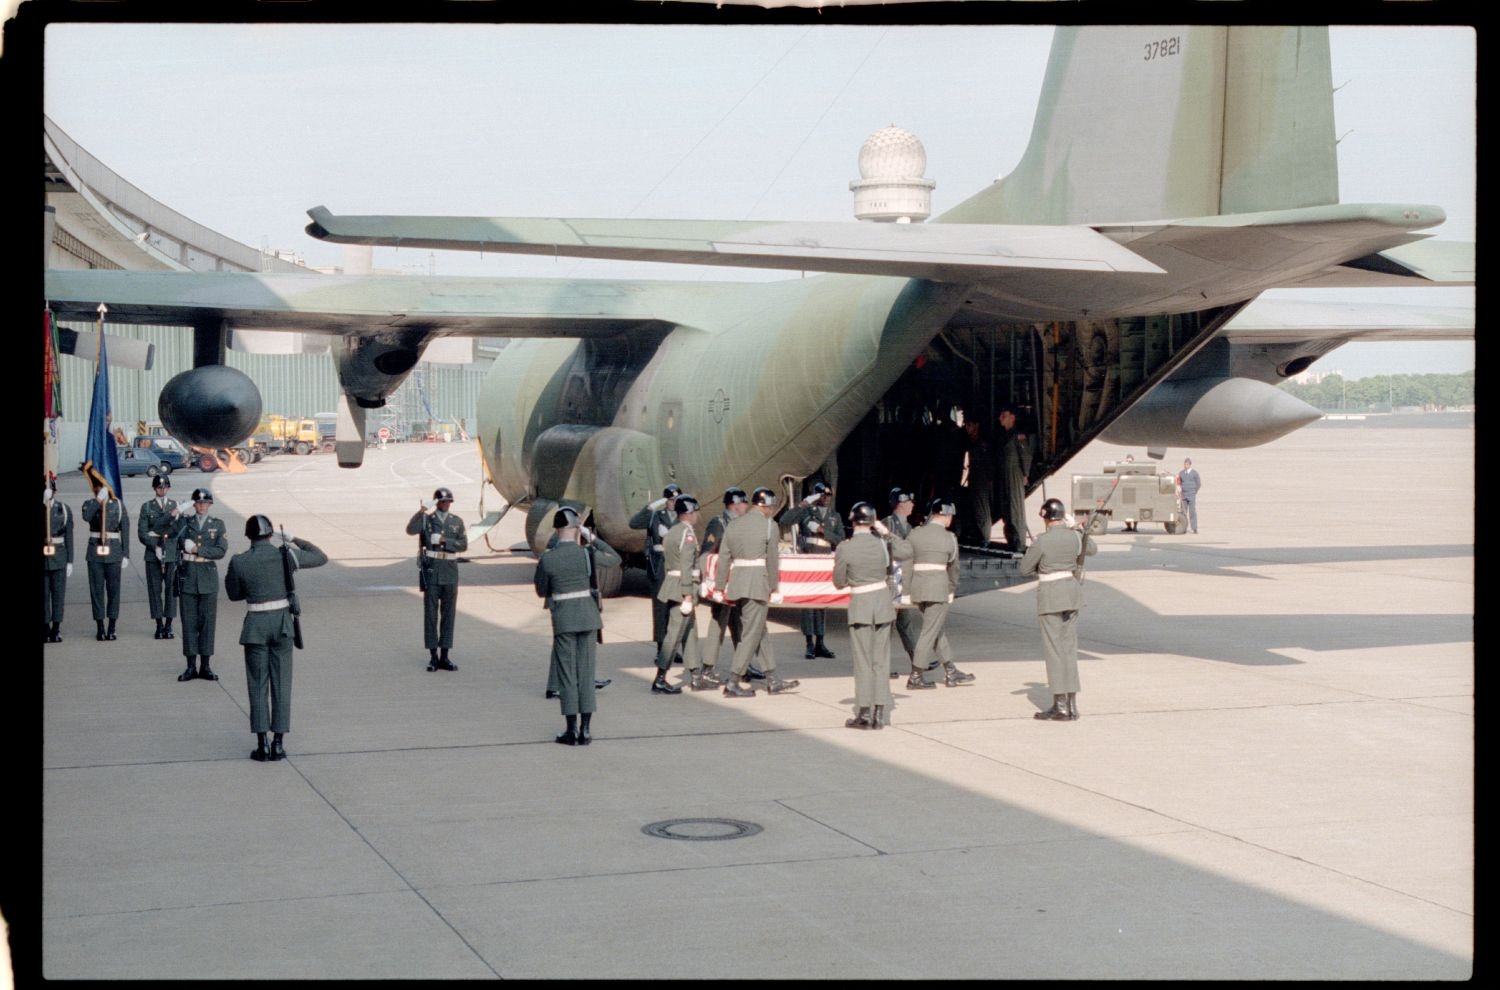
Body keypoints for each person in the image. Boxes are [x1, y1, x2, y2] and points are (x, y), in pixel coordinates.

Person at [224, 515, 328, 760]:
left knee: (257, 685)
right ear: (271, 534)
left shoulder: (239, 561)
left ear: (249, 536)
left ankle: (262, 744)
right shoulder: (286, 555)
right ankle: (279, 743)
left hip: (256, 626)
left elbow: (234, 594)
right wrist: (293, 538)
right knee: (281, 684)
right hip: (282, 625)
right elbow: (320, 556)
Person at [534, 507, 621, 745]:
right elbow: (615, 559)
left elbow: (542, 589)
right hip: (589, 617)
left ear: (556, 529)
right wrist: (592, 538)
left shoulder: (549, 558)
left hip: (564, 618)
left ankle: (571, 730)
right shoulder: (586, 554)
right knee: (585, 672)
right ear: (575, 530)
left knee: (567, 675)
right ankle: (585, 730)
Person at [832, 502, 911, 729]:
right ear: (872, 522)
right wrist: (885, 532)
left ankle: (864, 712)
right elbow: (905, 552)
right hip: (882, 605)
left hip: (861, 607)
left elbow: (838, 582)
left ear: (853, 521)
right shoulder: (882, 544)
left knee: (863, 662)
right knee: (880, 661)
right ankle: (879, 712)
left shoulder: (845, 548)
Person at [715, 486, 798, 698]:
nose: (771, 510)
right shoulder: (770, 526)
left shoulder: (734, 524)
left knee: (760, 630)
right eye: (770, 507)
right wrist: (774, 587)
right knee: (751, 634)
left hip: (738, 583)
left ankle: (772, 679)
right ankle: (733, 681)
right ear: (764, 507)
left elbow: (724, 556)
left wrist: (719, 586)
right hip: (757, 584)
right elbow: (772, 559)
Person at [1018, 497, 1097, 721]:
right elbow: (1091, 549)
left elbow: (1025, 569)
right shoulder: (1074, 536)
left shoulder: (1042, 541)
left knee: (1054, 651)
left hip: (1051, 597)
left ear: (1045, 518)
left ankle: (1060, 706)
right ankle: (1072, 705)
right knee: (1069, 650)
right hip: (1071, 595)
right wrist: (1078, 530)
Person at [906, 497, 975, 688]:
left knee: (936, 630)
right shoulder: (948, 538)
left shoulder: (915, 534)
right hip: (938, 589)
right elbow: (954, 569)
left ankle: (951, 671)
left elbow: (905, 560)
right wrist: (951, 590)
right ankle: (916, 675)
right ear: (945, 516)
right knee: (929, 632)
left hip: (918, 588)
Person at [653, 494, 715, 693]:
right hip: (683, 589)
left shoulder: (673, 531)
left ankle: (695, 676)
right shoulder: (687, 535)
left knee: (690, 633)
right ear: (688, 513)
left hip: (675, 584)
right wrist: (688, 594)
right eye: (695, 511)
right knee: (675, 634)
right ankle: (660, 678)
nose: (697, 515)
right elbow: (687, 566)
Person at [406, 486, 468, 672]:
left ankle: (445, 656)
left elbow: (463, 544)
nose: (446, 504)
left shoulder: (456, 521)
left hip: (449, 572)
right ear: (437, 503)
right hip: (432, 572)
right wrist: (422, 511)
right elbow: (410, 529)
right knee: (431, 615)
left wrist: (444, 542)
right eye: (442, 502)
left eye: (448, 501)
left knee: (448, 615)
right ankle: (433, 656)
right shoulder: (427, 520)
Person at [172, 489, 229, 682]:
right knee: (189, 623)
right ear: (194, 504)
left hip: (207, 577)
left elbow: (221, 550)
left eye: (206, 503)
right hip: (188, 576)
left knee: (207, 623)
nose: (202, 506)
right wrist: (179, 509)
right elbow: (165, 527)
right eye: (198, 503)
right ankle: (190, 666)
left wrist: (197, 549)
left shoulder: (218, 524)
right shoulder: (185, 522)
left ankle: (205, 666)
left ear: (210, 504)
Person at [782, 481, 843, 659]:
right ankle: (809, 643)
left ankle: (820, 643)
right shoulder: (806, 512)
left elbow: (840, 539)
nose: (825, 498)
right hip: (808, 558)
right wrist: (803, 505)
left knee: (821, 602)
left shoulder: (835, 516)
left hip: (824, 558)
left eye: (828, 495)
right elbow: (786, 520)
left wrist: (824, 532)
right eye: (822, 495)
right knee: (808, 602)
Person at [699, 487, 748, 681]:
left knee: (740, 625)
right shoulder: (718, 523)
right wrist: (709, 580)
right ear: (735, 504)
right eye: (743, 502)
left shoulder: (741, 524)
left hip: (737, 581)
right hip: (723, 582)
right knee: (718, 624)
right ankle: (708, 667)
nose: (745, 506)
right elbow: (707, 552)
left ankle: (743, 666)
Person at [629, 484, 681, 657]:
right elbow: (634, 523)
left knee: (677, 609)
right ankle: (662, 648)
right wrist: (652, 506)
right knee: (661, 609)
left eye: (676, 500)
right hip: (660, 566)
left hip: (677, 565)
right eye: (671, 500)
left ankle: (673, 647)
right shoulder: (656, 516)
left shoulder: (683, 518)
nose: (674, 503)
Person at [81, 477, 129, 641]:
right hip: (95, 550)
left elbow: (125, 530)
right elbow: (87, 517)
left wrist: (125, 554)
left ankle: (112, 626)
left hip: (114, 550)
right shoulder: (89, 503)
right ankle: (100, 626)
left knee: (114, 591)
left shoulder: (118, 505)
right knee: (97, 591)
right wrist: (98, 500)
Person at [881, 487, 922, 679]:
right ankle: (882, 665)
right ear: (901, 504)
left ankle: (917, 661)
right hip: (891, 581)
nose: (913, 505)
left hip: (903, 581)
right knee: (886, 625)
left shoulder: (909, 527)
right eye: (909, 502)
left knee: (906, 623)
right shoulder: (886, 525)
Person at [138, 473, 181, 641]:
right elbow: (142, 532)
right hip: (152, 554)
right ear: (154, 488)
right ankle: (159, 625)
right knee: (155, 590)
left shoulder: (175, 506)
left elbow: (179, 529)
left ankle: (169, 624)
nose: (162, 490)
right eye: (159, 487)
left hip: (171, 552)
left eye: (164, 487)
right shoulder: (147, 507)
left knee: (171, 590)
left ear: (168, 488)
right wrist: (154, 545)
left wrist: (156, 531)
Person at [43, 475, 74, 644]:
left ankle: (56, 628)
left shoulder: (63, 509)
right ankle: (45, 627)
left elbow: (69, 536)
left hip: (59, 555)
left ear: (55, 491)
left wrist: (70, 561)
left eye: (51, 490)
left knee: (58, 595)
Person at [997, 405, 1033, 550]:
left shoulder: (1018, 436)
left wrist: (1025, 474)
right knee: (1006, 509)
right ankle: (1011, 540)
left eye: (1004, 415)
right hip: (1005, 475)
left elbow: (1026, 456)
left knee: (1015, 509)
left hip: (1014, 474)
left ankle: (1019, 543)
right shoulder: (1005, 435)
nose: (1000, 418)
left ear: (1012, 417)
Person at [961, 419, 995, 546]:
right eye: (966, 425)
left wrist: (989, 481)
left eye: (969, 425)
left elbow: (989, 464)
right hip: (974, 480)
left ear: (977, 425)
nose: (967, 428)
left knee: (982, 511)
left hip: (982, 482)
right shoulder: (973, 442)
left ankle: (985, 539)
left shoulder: (982, 444)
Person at [1177, 457, 1202, 533]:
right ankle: (1183, 528)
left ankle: (1194, 528)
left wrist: (1194, 491)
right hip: (1184, 495)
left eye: (1187, 464)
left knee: (1192, 512)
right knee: (1183, 512)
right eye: (1185, 464)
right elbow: (1179, 482)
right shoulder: (1181, 473)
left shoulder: (1194, 473)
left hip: (1191, 495)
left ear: (1190, 465)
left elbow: (1198, 484)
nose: (1185, 465)